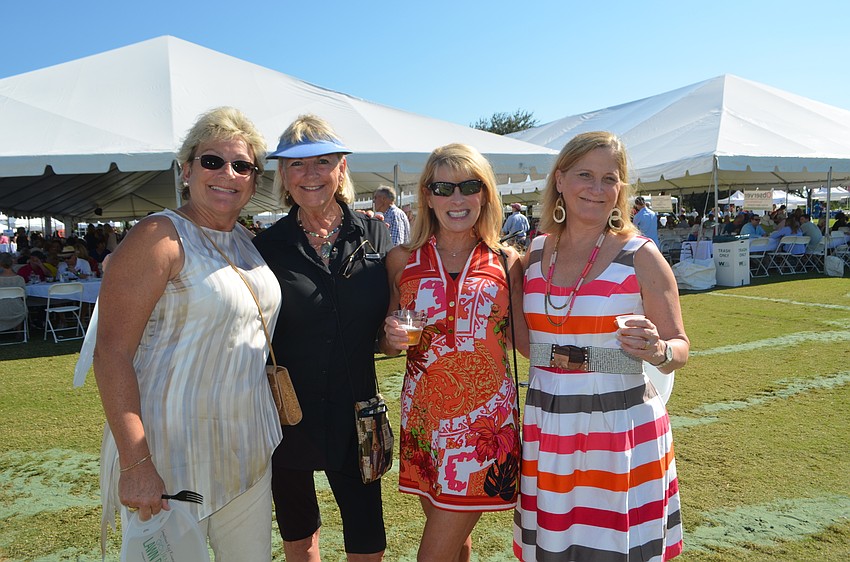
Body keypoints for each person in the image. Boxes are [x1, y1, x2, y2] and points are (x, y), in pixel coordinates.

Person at [92, 107, 281, 561]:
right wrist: (137, 465)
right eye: (212, 160)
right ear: (187, 169)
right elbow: (112, 352)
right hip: (169, 455)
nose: (227, 173)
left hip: (248, 449)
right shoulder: (158, 237)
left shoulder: (244, 241)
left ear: (254, 180)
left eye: (242, 165)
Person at [514, 131, 688, 561]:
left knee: (610, 547)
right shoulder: (532, 253)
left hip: (619, 425)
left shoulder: (641, 254)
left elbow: (679, 348)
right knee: (556, 547)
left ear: (621, 189)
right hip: (548, 419)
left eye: (609, 178)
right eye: (584, 174)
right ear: (559, 179)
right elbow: (527, 342)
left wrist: (656, 350)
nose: (596, 188)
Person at [253, 114, 391, 562]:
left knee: (367, 535)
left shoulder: (375, 237)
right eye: (296, 165)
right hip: (287, 414)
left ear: (342, 169)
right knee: (299, 534)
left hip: (358, 409)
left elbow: (391, 324)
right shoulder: (266, 246)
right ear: (283, 177)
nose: (310, 174)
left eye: (322, 162)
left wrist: (392, 338)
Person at [380, 143, 526, 562]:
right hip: (423, 422)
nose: (457, 199)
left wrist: (596, 349)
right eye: (443, 187)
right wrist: (389, 338)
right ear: (427, 195)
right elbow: (388, 340)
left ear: (486, 194)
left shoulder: (507, 260)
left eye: (469, 186)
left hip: (485, 432)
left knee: (436, 550)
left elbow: (524, 340)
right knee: (454, 540)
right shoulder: (400, 260)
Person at [0, 252, 27, 334]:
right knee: (18, 303)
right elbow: (24, 297)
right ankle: (19, 331)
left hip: (1, 311)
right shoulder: (19, 279)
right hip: (18, 310)